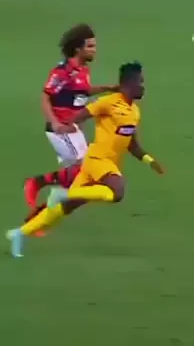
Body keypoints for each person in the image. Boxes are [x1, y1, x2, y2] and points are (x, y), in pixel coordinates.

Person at [7, 61, 164, 258]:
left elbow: (132, 144)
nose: (143, 87)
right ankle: (64, 194)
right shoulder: (108, 102)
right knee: (117, 191)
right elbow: (81, 115)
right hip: (98, 160)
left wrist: (149, 161)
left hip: (101, 164)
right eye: (140, 82)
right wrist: (68, 126)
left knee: (62, 210)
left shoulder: (134, 112)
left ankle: (19, 234)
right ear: (128, 83)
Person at [24, 24, 117, 225]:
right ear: (77, 49)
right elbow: (45, 96)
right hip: (62, 130)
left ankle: (36, 218)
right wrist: (56, 123)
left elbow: (83, 91)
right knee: (86, 170)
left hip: (74, 131)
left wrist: (108, 88)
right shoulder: (62, 72)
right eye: (90, 46)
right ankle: (37, 182)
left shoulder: (82, 69)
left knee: (77, 182)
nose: (94, 50)